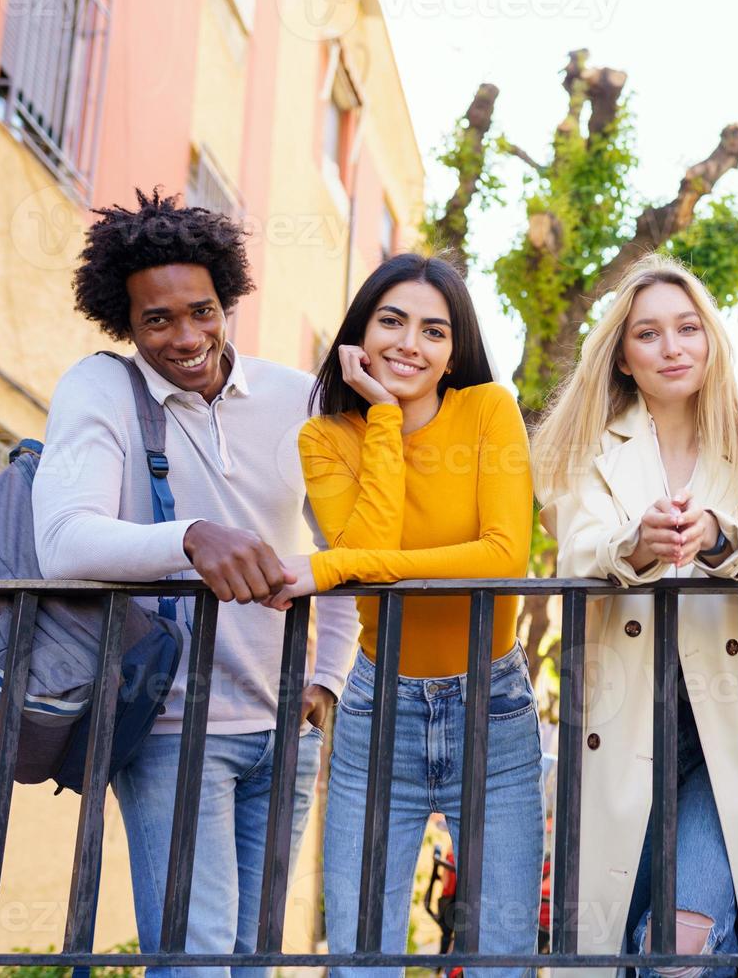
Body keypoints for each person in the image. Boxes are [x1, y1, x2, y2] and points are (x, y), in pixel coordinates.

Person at [33, 190, 359, 976]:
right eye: (158, 320)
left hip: (285, 726)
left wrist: (328, 678)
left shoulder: (297, 398)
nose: (186, 338)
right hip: (175, 730)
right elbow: (64, 542)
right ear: (126, 320)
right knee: (197, 958)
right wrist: (189, 537)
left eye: (202, 311)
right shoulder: (102, 390)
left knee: (253, 959)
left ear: (228, 299)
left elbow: (348, 547)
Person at [532, 254, 738, 977]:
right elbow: (577, 551)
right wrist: (636, 544)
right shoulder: (585, 449)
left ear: (711, 340)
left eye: (688, 328)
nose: (672, 347)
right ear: (623, 357)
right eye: (649, 334)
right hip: (622, 717)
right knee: (622, 935)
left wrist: (720, 536)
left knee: (682, 942)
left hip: (726, 722)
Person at [266, 253, 540, 977]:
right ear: (360, 332)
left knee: (501, 958)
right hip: (375, 709)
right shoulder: (326, 438)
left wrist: (331, 567)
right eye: (391, 321)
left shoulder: (489, 411)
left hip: (495, 709)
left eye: (433, 330)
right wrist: (384, 419)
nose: (409, 344)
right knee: (362, 955)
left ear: (454, 353)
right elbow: (368, 550)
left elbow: (502, 556)